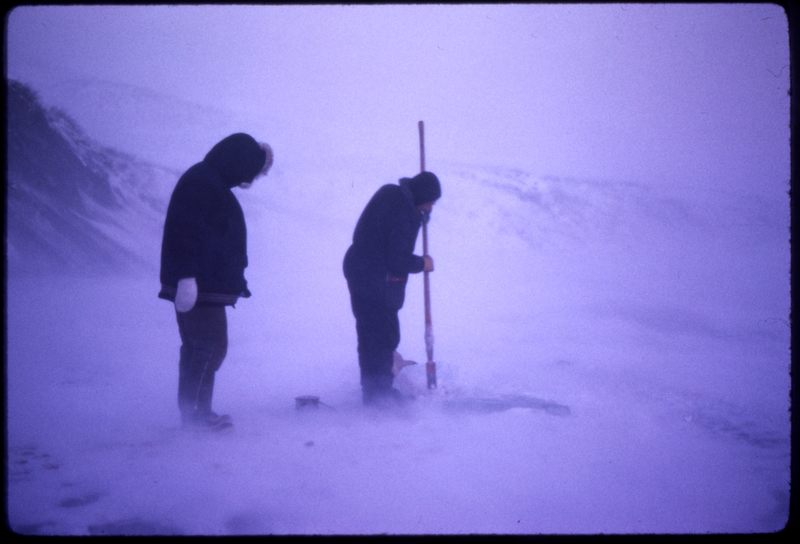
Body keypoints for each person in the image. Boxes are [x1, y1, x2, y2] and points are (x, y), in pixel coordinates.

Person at [159, 133, 273, 430]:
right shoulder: (202, 183)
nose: (250, 180)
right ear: (240, 163)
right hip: (198, 286)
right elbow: (185, 231)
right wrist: (186, 277)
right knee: (206, 347)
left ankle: (197, 412)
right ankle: (195, 416)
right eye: (251, 172)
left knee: (206, 347)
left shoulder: (211, 182)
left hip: (206, 285)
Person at [343, 171, 442, 406]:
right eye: (430, 203)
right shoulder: (405, 214)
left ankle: (374, 389)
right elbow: (397, 259)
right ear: (422, 197)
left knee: (370, 334)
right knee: (382, 335)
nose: (430, 208)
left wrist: (419, 217)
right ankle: (379, 396)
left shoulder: (390, 193)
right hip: (375, 278)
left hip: (358, 267)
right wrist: (422, 263)